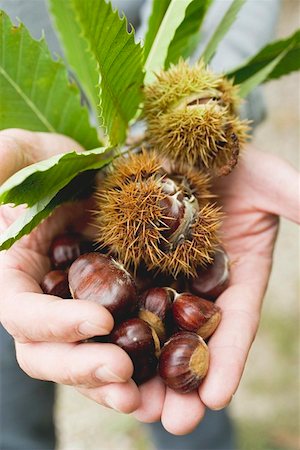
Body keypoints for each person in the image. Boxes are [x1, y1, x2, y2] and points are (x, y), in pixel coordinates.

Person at [0, 1, 299, 450]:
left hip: (146, 114)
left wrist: (212, 88)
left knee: (191, 409)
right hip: (18, 224)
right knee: (13, 416)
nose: (177, 198)